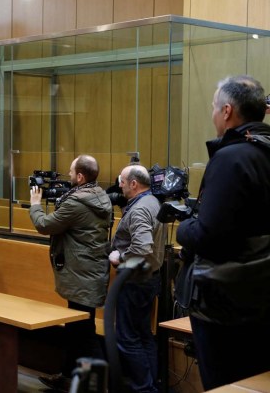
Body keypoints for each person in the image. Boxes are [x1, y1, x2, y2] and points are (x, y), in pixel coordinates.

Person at [176, 75, 270, 390]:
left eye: (215, 108)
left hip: (227, 304)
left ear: (227, 111)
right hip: (262, 297)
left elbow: (209, 235)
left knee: (226, 385)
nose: (213, 115)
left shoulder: (232, 158)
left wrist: (184, 226)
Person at [28, 155, 112, 391]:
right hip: (87, 271)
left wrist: (35, 204)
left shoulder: (76, 204)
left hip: (82, 274)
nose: (68, 173)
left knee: (84, 332)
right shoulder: (98, 195)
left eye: (71, 171)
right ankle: (68, 375)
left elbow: (45, 225)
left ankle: (101, 386)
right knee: (76, 328)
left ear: (80, 177)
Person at [108, 164, 165, 393]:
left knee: (127, 338)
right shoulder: (152, 201)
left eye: (121, 181)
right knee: (143, 336)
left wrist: (119, 256)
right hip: (149, 278)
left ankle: (144, 389)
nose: (119, 186)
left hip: (135, 281)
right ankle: (150, 386)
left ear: (133, 183)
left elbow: (142, 247)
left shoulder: (140, 209)